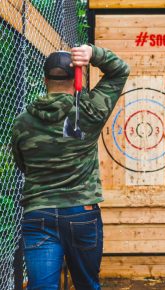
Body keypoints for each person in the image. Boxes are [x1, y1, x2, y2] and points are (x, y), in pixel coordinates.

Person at [11, 44, 130, 289]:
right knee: (87, 285)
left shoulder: (22, 122)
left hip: (38, 213)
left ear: (45, 79)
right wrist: (92, 54)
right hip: (81, 213)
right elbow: (119, 71)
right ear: (77, 77)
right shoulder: (89, 111)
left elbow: (23, 165)